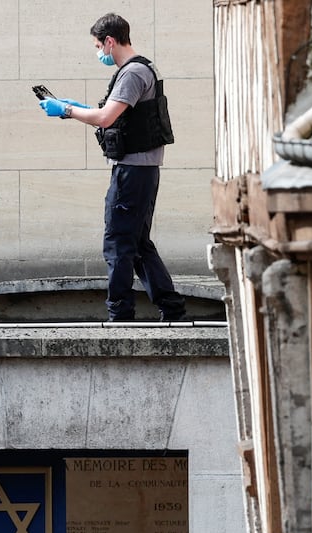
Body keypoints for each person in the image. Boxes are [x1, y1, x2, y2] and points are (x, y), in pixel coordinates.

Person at [38, 12, 184, 323]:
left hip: (132, 171)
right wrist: (73, 108)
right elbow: (111, 113)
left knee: (118, 241)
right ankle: (172, 309)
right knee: (139, 244)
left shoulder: (132, 73)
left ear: (109, 41)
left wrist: (65, 109)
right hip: (143, 169)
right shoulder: (141, 67)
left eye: (97, 46)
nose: (98, 53)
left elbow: (106, 119)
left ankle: (120, 315)